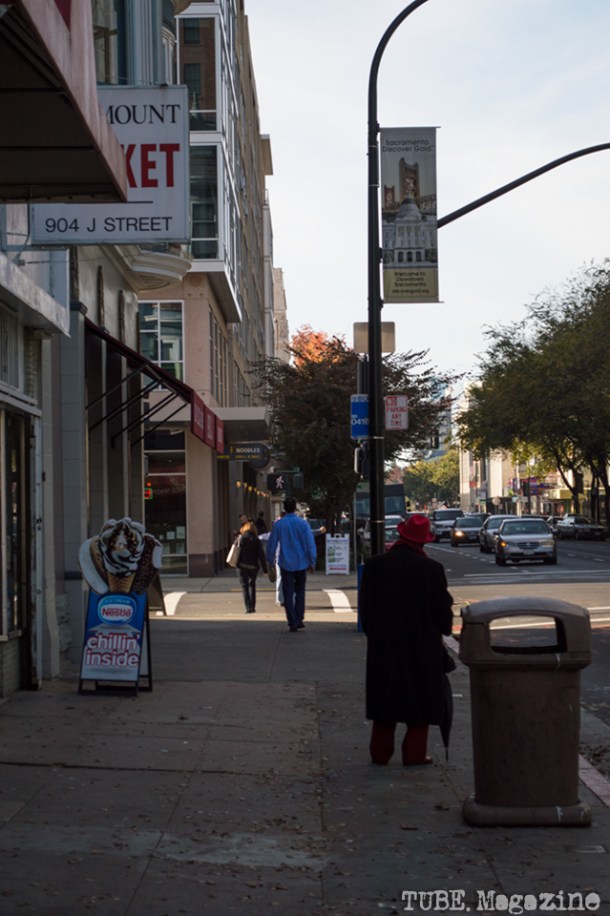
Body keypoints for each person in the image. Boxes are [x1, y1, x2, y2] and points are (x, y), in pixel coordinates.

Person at [359, 513, 454, 765]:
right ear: (423, 542)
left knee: (384, 704)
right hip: (422, 649)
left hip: (384, 647)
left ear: (401, 535)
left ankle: (380, 753)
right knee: (420, 707)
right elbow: (444, 617)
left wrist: (377, 635)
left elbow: (366, 613)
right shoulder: (431, 570)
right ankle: (414, 755)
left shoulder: (374, 565)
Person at [266, 497, 317, 632]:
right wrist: (312, 560)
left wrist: (269, 560)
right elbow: (309, 543)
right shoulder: (303, 524)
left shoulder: (279, 524)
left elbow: (272, 543)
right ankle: (299, 618)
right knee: (300, 591)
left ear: (284, 508)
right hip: (301, 562)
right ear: (295, 508)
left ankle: (292, 621)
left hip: (285, 562)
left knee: (288, 592)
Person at [236, 519, 268, 614]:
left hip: (242, 566)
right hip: (254, 567)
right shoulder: (257, 540)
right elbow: (261, 556)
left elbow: (236, 551)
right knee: (252, 586)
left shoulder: (240, 538)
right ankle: (253, 607)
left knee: (244, 586)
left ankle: (248, 607)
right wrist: (265, 570)